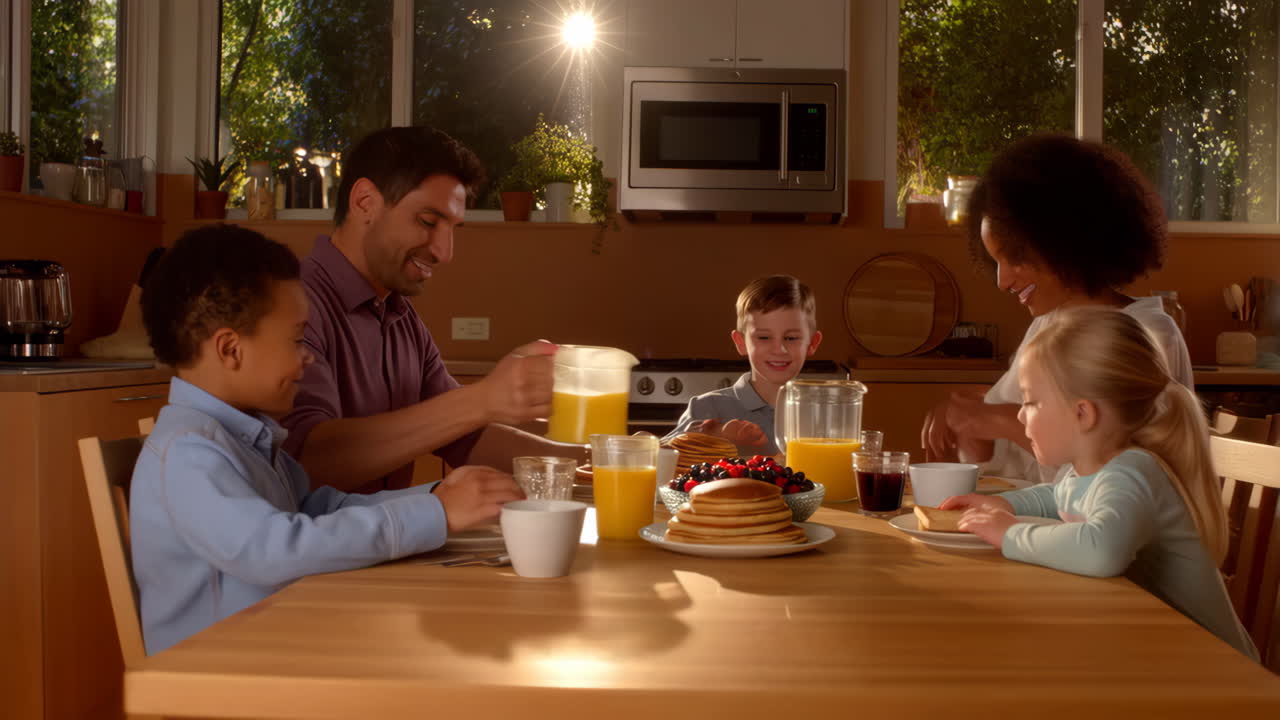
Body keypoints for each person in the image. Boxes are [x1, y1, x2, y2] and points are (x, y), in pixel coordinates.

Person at [130, 225, 523, 654]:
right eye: (297, 339)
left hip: (268, 653)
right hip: (219, 682)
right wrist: (434, 514)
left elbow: (320, 507)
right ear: (230, 350)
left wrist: (439, 497)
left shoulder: (241, 435)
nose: (309, 354)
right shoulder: (190, 452)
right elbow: (275, 550)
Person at [281, 126, 585, 493]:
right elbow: (308, 461)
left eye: (453, 227)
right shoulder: (292, 305)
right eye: (428, 222)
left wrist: (597, 462)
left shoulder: (400, 316)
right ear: (364, 201)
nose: (445, 252)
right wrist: (483, 399)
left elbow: (465, 436)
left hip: (391, 547)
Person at [940, 308, 1256, 660]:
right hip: (1164, 654)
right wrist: (1007, 505)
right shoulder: (1092, 472)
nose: (1018, 414)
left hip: (1216, 672)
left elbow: (1101, 549)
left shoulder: (1131, 474)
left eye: (1030, 402)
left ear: (1082, 414)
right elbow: (1058, 496)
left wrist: (1010, 533)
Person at [921, 134, 1193, 483]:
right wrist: (970, 425)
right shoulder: (1048, 328)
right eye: (996, 261)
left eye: (1016, 258)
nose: (1002, 281)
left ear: (1070, 239)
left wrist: (1001, 419)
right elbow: (1009, 463)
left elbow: (1119, 482)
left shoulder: (1149, 335)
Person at [662, 275, 823, 455]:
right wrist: (716, 433)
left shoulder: (823, 412)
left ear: (812, 343)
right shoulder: (707, 407)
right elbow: (658, 457)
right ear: (740, 342)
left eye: (791, 338)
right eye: (763, 337)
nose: (779, 349)